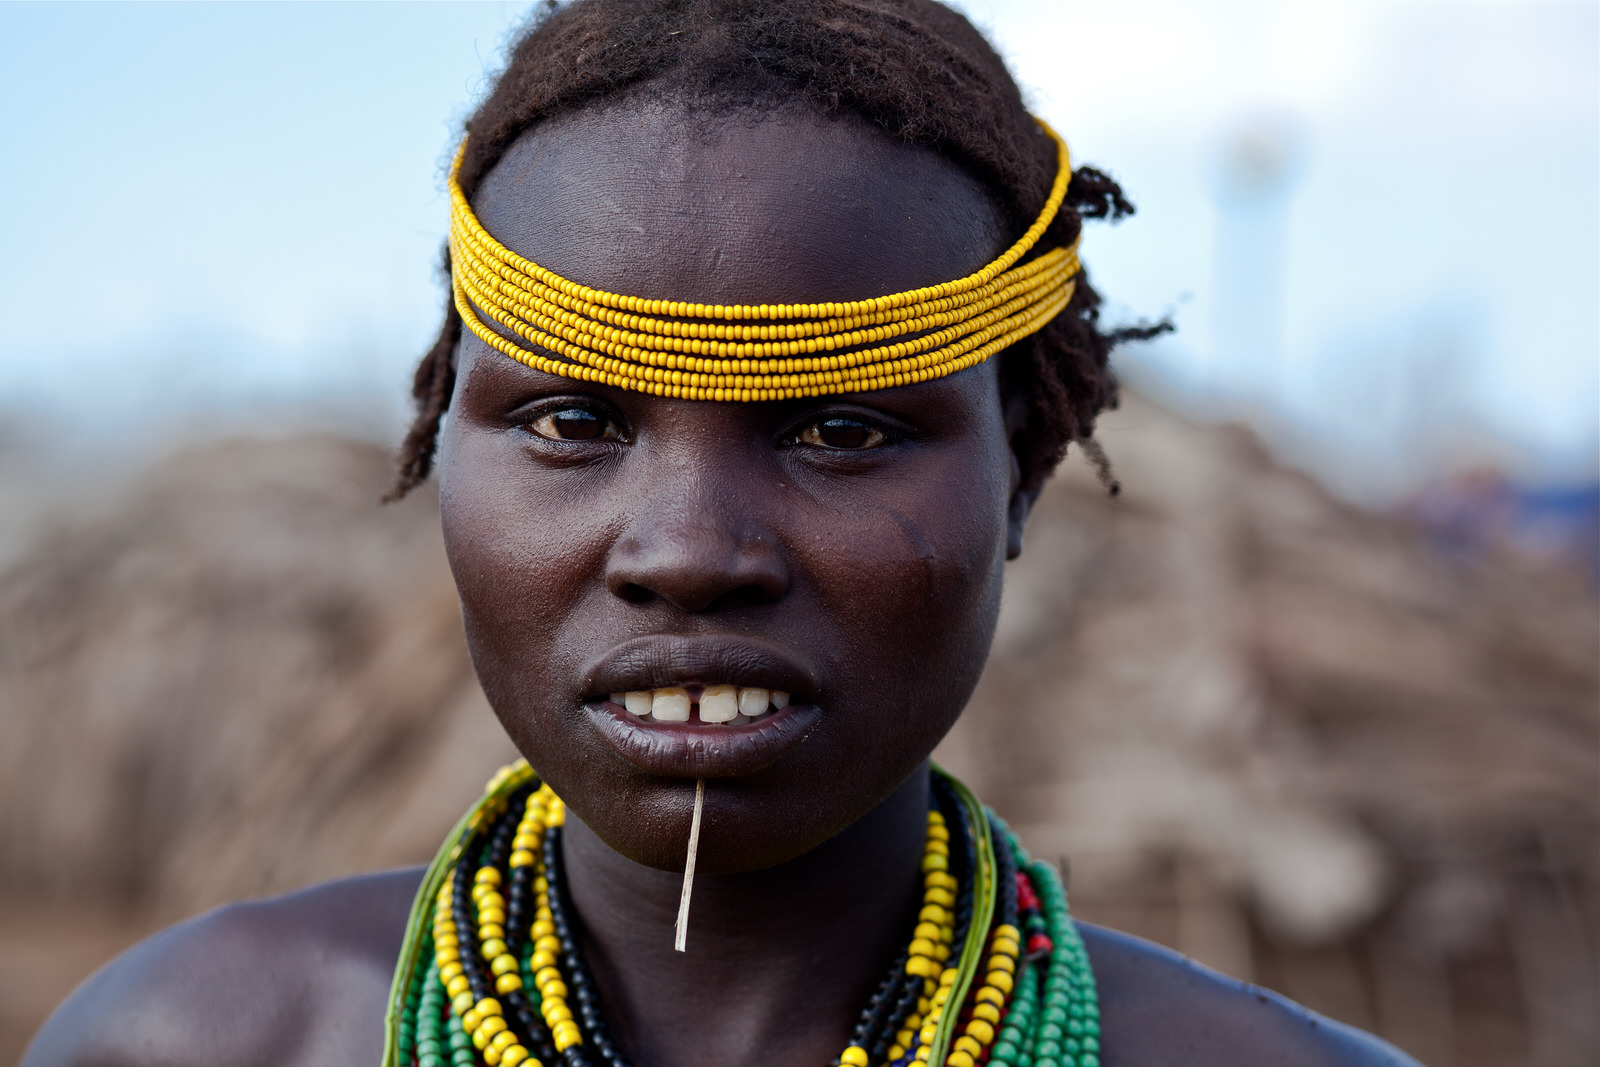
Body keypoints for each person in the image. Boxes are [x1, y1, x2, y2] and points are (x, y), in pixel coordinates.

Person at [24, 2, 1419, 1065]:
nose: (688, 552)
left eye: (842, 431)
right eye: (574, 423)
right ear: (447, 446)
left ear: (1020, 477)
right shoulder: (188, 1042)